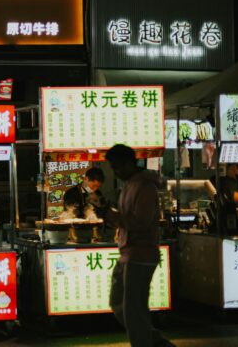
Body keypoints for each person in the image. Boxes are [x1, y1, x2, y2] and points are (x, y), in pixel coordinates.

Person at [89, 144, 174, 347]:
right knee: (119, 303)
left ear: (129, 163)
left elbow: (141, 223)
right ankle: (156, 342)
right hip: (128, 253)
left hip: (141, 255)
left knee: (134, 311)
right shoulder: (130, 184)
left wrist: (110, 215)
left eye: (117, 167)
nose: (116, 173)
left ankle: (148, 343)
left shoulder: (145, 186)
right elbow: (128, 219)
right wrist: (109, 215)